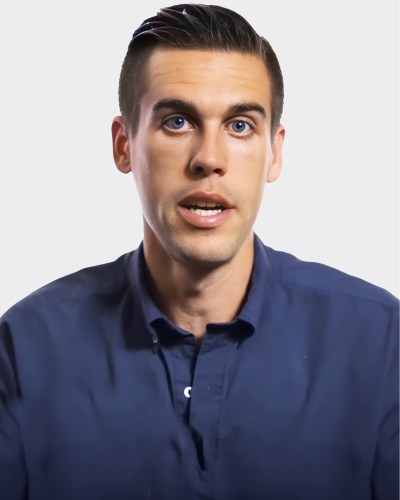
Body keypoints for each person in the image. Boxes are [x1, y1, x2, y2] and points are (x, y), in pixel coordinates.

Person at [0, 4, 398, 500]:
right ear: (124, 145)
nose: (209, 159)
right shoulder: (26, 347)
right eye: (177, 121)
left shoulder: (382, 344)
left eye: (239, 126)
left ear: (275, 152)